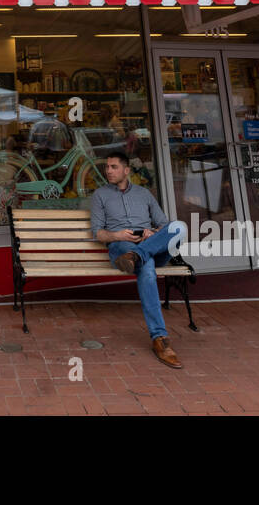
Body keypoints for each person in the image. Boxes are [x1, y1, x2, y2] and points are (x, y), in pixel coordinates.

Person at [90, 151, 188, 369]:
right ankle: (159, 339)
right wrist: (117, 235)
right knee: (148, 266)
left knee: (180, 227)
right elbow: (97, 234)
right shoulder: (100, 195)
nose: (108, 171)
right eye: (107, 167)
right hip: (121, 246)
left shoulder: (144, 194)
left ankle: (139, 255)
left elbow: (164, 224)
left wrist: (153, 232)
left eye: (113, 167)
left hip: (145, 245)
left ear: (126, 170)